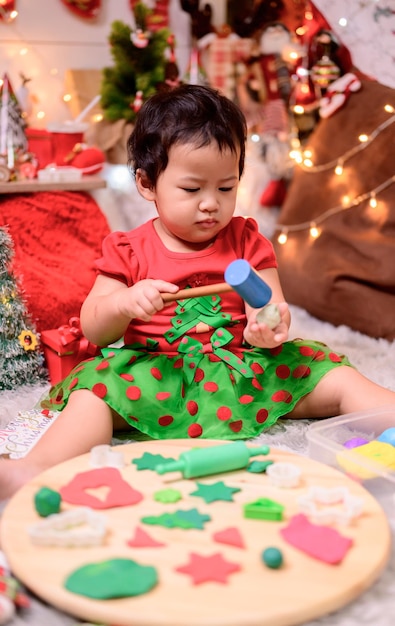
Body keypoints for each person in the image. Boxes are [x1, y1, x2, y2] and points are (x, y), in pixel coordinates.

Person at [1, 84, 394, 499]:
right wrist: (123, 303)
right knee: (94, 395)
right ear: (147, 183)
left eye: (226, 188)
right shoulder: (128, 249)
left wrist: (268, 326)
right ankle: (34, 470)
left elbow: (271, 304)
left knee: (332, 373)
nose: (211, 204)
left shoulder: (246, 240)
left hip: (241, 371)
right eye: (192, 190)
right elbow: (94, 327)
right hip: (156, 376)